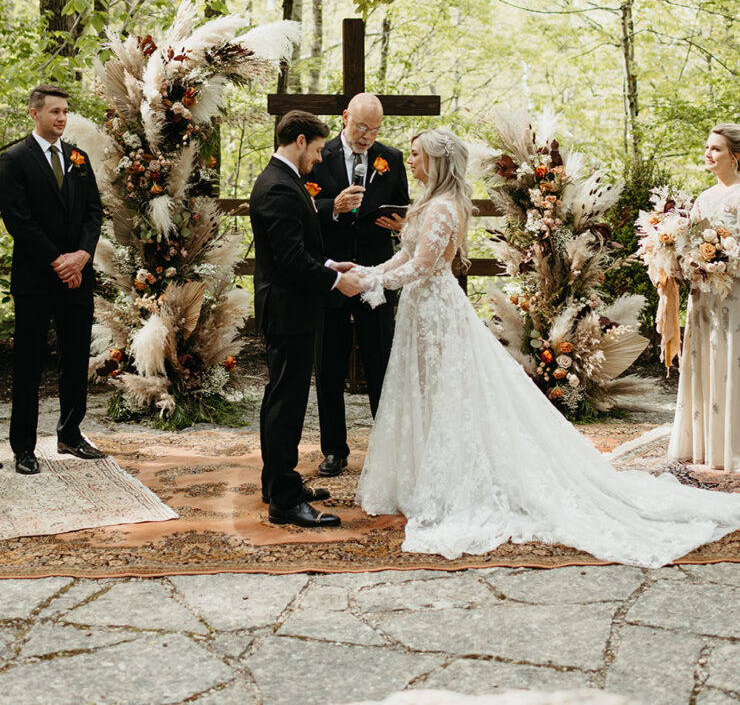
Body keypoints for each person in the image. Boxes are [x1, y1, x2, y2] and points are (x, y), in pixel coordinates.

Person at [354, 128, 740, 566]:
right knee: (421, 391)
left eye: (417, 154)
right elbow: (405, 257)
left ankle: (453, 480)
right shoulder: (427, 203)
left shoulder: (443, 207)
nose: (412, 160)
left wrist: (368, 283)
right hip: (420, 311)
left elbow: (424, 266)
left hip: (437, 310)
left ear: (437, 161)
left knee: (448, 394)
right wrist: (366, 272)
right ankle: (419, 477)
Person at [250, 109, 366, 528]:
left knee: (280, 398)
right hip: (289, 310)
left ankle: (276, 482)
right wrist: (337, 284)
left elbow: (300, 248)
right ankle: (284, 499)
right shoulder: (278, 187)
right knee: (287, 404)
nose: (319, 159)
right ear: (299, 141)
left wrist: (331, 264)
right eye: (316, 150)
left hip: (290, 306)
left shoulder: (283, 180)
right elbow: (292, 261)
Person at [0, 85, 104, 475]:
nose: (62, 118)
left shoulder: (79, 158)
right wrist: (58, 260)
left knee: (76, 358)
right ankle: (23, 448)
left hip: (77, 276)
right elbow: (18, 220)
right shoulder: (12, 160)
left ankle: (70, 434)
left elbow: (94, 212)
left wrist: (82, 256)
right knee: (28, 363)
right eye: (54, 112)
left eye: (65, 112)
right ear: (34, 114)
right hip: (35, 279)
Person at [307, 92, 409, 477]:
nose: (367, 136)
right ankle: (334, 449)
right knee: (328, 364)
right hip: (332, 275)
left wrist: (402, 225)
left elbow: (404, 210)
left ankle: (387, 449)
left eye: (375, 129)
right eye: (361, 127)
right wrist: (331, 207)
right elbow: (301, 208)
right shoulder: (319, 154)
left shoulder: (392, 159)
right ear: (345, 117)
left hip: (377, 275)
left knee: (381, 361)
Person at [668, 124, 740, 471]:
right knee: (705, 364)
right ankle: (704, 446)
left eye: (716, 149)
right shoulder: (704, 199)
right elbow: (687, 248)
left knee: (730, 365)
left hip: (732, 301)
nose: (708, 154)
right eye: (708, 147)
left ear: (736, 157)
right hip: (702, 300)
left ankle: (730, 450)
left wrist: (722, 263)